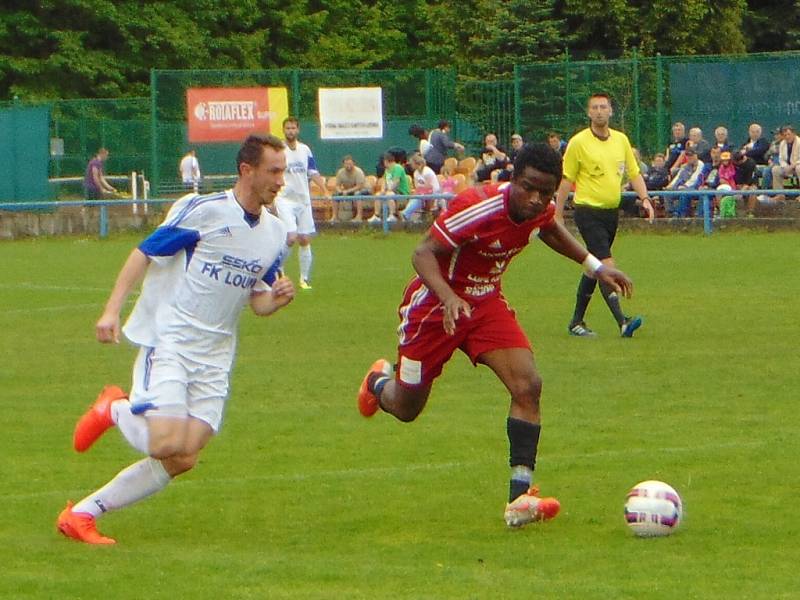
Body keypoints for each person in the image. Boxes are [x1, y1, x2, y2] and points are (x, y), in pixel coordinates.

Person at [356, 142, 635, 529]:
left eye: (545, 191)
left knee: (527, 385)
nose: (536, 199)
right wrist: (450, 297)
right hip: (434, 310)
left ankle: (519, 500)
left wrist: (595, 266)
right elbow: (422, 253)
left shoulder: (539, 209)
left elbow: (549, 227)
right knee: (406, 408)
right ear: (512, 179)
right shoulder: (478, 205)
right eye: (528, 187)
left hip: (485, 305)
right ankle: (377, 382)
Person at [56, 134, 296, 545]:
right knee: (165, 440)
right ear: (247, 171)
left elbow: (257, 302)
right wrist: (112, 309)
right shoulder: (203, 211)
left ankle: (81, 514)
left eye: (283, 171)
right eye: (273, 171)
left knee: (184, 456)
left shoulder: (275, 233)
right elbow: (144, 252)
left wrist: (275, 300)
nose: (281, 180)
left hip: (217, 354)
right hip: (173, 339)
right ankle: (115, 408)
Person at [555, 92, 653, 338]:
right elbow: (567, 180)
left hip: (611, 214)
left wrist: (645, 199)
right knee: (606, 265)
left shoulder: (620, 140)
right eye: (595, 107)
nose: (599, 111)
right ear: (589, 113)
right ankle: (623, 321)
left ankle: (576, 322)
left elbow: (634, 173)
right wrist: (556, 215)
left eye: (603, 107)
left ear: (610, 111)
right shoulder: (578, 143)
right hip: (588, 212)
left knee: (592, 267)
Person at [274, 117, 329, 290]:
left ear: (298, 130)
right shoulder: (278, 150)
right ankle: (278, 270)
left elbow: (312, 171)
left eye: (293, 128)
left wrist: (324, 190)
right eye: (287, 128)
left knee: (304, 239)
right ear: (283, 130)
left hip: (303, 200)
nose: (290, 131)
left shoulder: (305, 149)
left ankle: (304, 279)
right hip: (284, 199)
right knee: (291, 237)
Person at [369, 152, 409, 224]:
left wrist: (388, 191)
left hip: (401, 192)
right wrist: (382, 190)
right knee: (378, 195)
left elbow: (396, 182)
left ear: (386, 161)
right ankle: (376, 216)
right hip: (390, 191)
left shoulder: (398, 168)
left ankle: (392, 216)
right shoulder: (387, 170)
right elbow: (384, 181)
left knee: (389, 195)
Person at [401, 153, 441, 222]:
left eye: (412, 163)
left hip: (433, 193)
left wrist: (419, 192)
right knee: (414, 196)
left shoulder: (427, 172)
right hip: (422, 193)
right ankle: (406, 215)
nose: (411, 165)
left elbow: (430, 187)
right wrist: (416, 192)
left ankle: (406, 214)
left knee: (418, 198)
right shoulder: (416, 173)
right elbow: (417, 186)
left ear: (417, 164)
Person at [334, 155, 372, 222]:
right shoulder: (340, 172)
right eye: (346, 164)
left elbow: (359, 186)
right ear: (343, 164)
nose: (348, 165)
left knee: (357, 194)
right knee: (335, 194)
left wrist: (347, 191)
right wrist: (340, 191)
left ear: (353, 163)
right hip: (350, 190)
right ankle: (335, 217)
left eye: (350, 163)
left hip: (364, 189)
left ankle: (359, 217)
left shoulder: (358, 172)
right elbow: (337, 185)